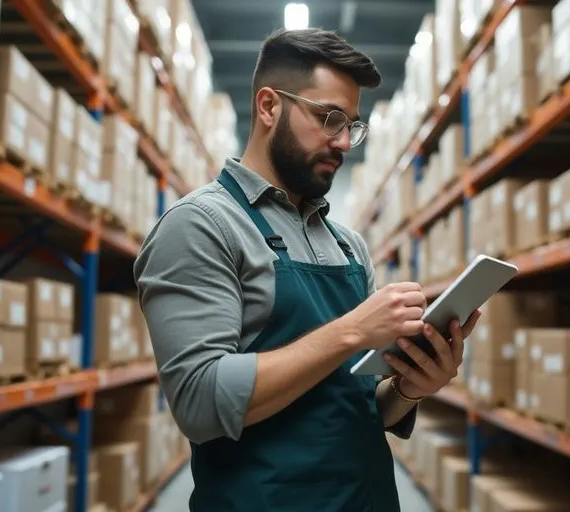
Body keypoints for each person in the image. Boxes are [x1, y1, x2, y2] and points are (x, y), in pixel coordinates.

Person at [133, 27, 480, 512]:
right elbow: (200, 401)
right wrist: (354, 330)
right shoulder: (201, 225)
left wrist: (409, 387)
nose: (343, 142)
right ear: (269, 107)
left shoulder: (349, 245)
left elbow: (357, 406)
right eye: (329, 118)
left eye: (353, 126)